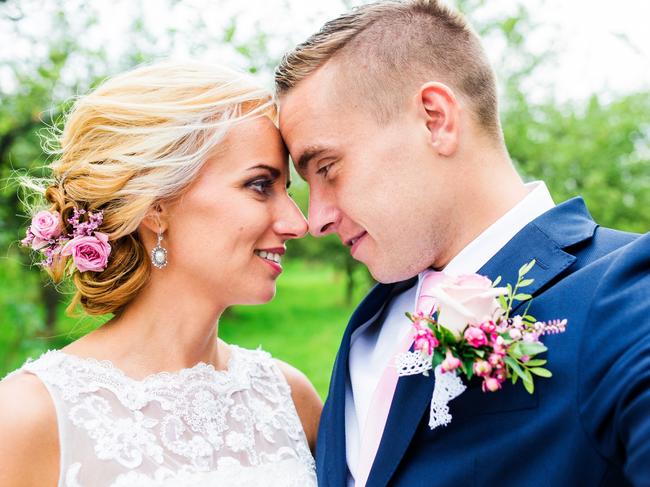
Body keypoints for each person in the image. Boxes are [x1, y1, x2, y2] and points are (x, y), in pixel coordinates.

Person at [274, 1, 650, 486]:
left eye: (327, 168)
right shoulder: (369, 325)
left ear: (435, 119)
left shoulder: (627, 295)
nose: (317, 219)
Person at [0, 61, 322, 487]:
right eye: (260, 185)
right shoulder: (30, 417)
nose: (298, 223)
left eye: (287, 190)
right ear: (156, 206)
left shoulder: (289, 397)